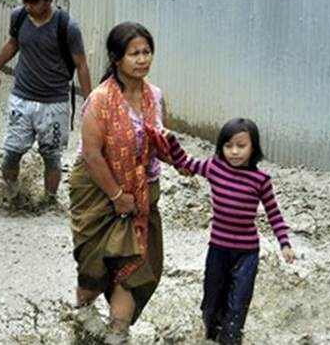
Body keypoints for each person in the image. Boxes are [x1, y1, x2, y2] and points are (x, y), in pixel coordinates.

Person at [69, 22, 170, 344]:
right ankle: (83, 309)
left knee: (135, 267)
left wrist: (181, 162)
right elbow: (91, 154)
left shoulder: (155, 96)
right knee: (96, 266)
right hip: (98, 192)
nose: (142, 59)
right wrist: (116, 195)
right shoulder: (99, 100)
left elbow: (159, 144)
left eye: (146, 52)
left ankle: (117, 333)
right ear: (116, 58)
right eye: (134, 54)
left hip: (142, 195)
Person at [167, 118, 295, 345]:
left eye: (241, 146)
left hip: (247, 254)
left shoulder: (261, 180)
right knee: (211, 301)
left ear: (253, 147)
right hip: (218, 250)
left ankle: (232, 339)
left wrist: (284, 243)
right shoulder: (214, 167)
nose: (234, 152)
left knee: (238, 304)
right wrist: (170, 140)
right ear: (221, 147)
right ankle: (211, 336)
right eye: (228, 146)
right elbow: (185, 162)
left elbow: (274, 213)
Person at [0, 0, 92, 205]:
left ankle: (49, 200)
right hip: (21, 99)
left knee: (52, 157)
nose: (28, 6)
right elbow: (12, 44)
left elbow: (81, 65)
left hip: (55, 104)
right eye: (25, 0)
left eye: (33, 2)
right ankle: (13, 194)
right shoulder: (19, 17)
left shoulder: (67, 27)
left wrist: (90, 103)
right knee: (11, 153)